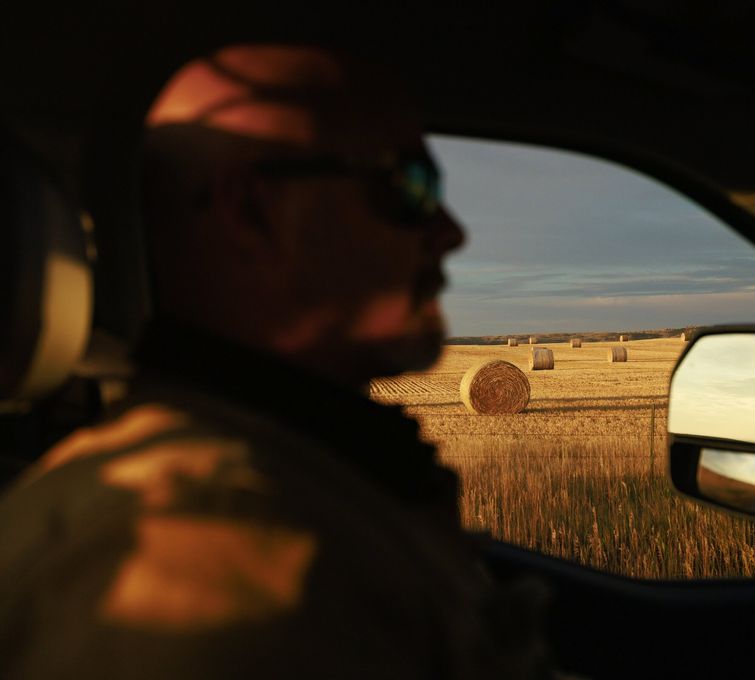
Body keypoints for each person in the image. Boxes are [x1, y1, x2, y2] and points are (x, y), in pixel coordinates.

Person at [0, 44, 552, 679]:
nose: (452, 231)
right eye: (407, 185)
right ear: (251, 211)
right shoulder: (220, 560)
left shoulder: (294, 482)